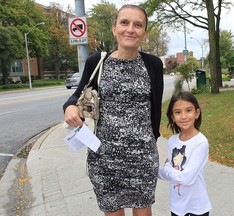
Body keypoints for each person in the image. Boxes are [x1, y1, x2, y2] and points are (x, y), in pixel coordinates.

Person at [63, 4, 163, 216]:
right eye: (124, 22)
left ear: (144, 32)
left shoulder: (153, 64)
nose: (130, 29)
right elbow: (77, 95)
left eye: (138, 25)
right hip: (103, 157)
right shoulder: (97, 61)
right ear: (114, 28)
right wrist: (70, 106)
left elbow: (156, 108)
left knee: (143, 210)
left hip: (142, 157)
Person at [158, 91, 212, 216]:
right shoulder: (172, 141)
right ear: (172, 116)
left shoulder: (200, 142)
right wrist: (154, 169)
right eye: (178, 112)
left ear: (197, 113)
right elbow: (169, 175)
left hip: (196, 209)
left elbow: (187, 178)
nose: (183, 116)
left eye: (188, 110)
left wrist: (166, 168)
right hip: (177, 207)